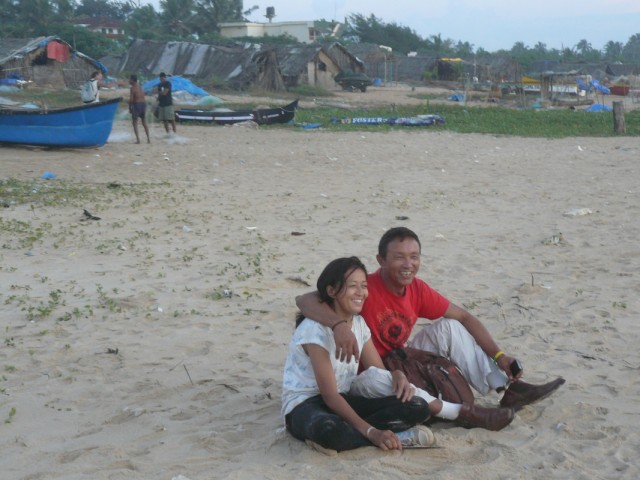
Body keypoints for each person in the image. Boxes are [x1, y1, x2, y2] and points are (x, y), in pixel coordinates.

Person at [296, 227, 565, 430]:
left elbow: (465, 316)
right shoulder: (363, 287)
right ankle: (461, 413)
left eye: (414, 257)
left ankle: (506, 389)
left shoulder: (417, 289)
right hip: (369, 372)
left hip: (400, 361)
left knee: (450, 326)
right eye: (399, 257)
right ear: (381, 260)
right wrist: (338, 325)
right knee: (380, 377)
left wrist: (499, 356)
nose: (408, 264)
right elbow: (304, 299)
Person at [283, 256, 435, 454]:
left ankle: (352, 436)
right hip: (306, 404)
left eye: (364, 286)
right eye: (352, 286)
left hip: (344, 399)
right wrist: (371, 431)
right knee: (329, 429)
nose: (360, 292)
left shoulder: (359, 324)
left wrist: (396, 374)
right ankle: (392, 437)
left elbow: (376, 370)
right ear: (331, 291)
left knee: (418, 406)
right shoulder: (314, 329)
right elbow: (329, 395)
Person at [128, 75, 150, 144]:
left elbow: (131, 99)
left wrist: (130, 107)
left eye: (130, 79)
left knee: (135, 123)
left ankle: (138, 140)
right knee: (144, 122)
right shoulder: (141, 87)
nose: (129, 81)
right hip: (143, 104)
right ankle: (148, 139)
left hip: (136, 105)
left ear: (132, 80)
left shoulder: (132, 88)